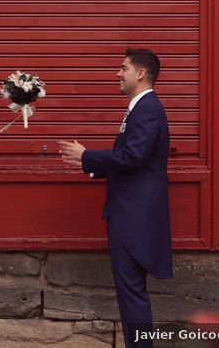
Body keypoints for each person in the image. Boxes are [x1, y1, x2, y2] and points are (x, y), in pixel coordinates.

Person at [57, 48, 172, 348]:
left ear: (141, 73)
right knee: (129, 292)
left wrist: (87, 157)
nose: (117, 74)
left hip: (133, 217)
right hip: (129, 213)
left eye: (123, 68)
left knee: (131, 293)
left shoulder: (147, 108)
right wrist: (92, 166)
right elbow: (132, 160)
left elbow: (133, 156)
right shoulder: (140, 108)